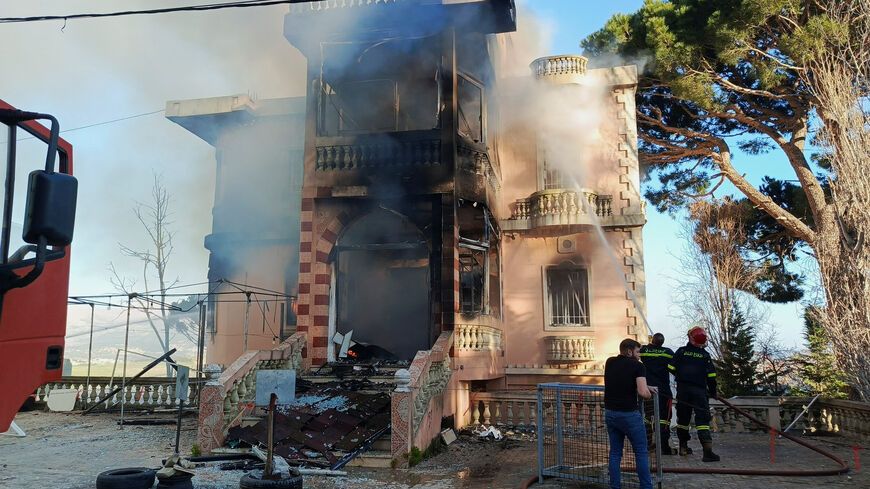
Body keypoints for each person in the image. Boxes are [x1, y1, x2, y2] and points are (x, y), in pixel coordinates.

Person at [604, 338, 656, 489]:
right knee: (640, 453)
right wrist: (648, 393)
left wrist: (646, 386)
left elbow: (622, 380)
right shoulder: (638, 366)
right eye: (638, 351)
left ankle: (615, 486)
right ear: (629, 351)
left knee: (615, 454)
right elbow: (642, 392)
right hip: (629, 415)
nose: (640, 355)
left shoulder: (610, 362)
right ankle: (646, 487)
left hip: (610, 413)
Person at [668, 325, 720, 462]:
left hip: (683, 391)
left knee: (683, 420)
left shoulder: (681, 352)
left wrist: (682, 375)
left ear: (690, 338)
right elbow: (711, 377)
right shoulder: (705, 356)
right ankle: (707, 452)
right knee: (702, 420)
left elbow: (671, 368)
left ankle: (683, 448)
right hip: (699, 391)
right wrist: (713, 392)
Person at [640, 332, 676, 455]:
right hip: (663, 390)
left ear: (652, 340)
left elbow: (638, 352)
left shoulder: (644, 350)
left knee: (647, 417)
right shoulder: (668, 352)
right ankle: (663, 446)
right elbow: (675, 368)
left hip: (647, 389)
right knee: (664, 419)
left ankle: (647, 443)